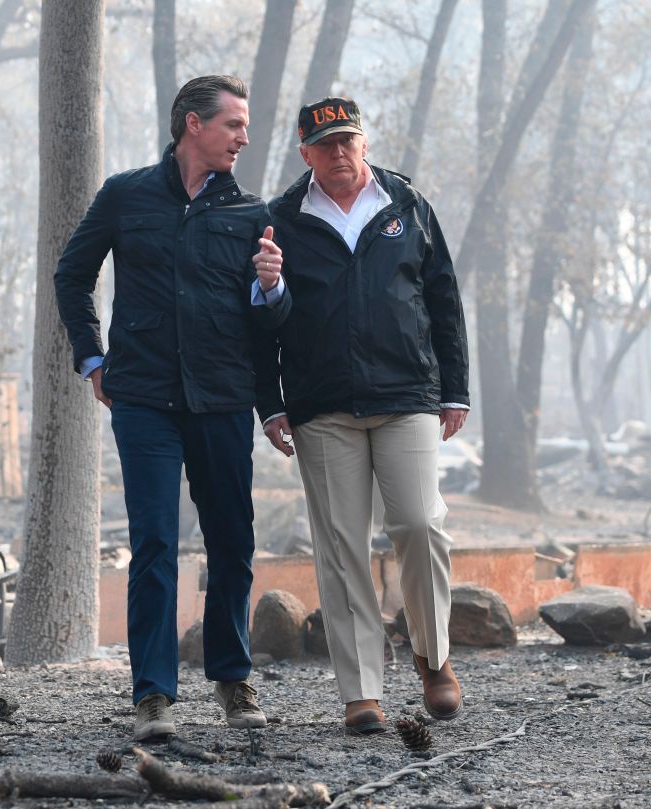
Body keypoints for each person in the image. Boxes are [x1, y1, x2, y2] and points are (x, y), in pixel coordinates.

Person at [54, 75, 291, 741]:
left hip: (220, 398)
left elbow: (272, 325)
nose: (244, 136)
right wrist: (92, 356)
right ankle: (153, 693)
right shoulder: (125, 196)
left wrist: (271, 288)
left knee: (232, 541)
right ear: (193, 124)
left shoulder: (251, 214)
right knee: (154, 542)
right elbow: (72, 274)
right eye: (234, 124)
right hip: (143, 399)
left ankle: (232, 678)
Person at [257, 97, 469, 735]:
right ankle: (361, 692)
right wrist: (271, 403)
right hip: (322, 406)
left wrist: (453, 391)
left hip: (407, 395)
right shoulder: (280, 221)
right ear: (306, 154)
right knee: (341, 547)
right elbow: (259, 323)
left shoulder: (407, 205)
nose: (340, 153)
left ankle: (433, 658)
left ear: (365, 142)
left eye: (348, 140)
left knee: (420, 524)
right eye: (325, 145)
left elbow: (443, 299)